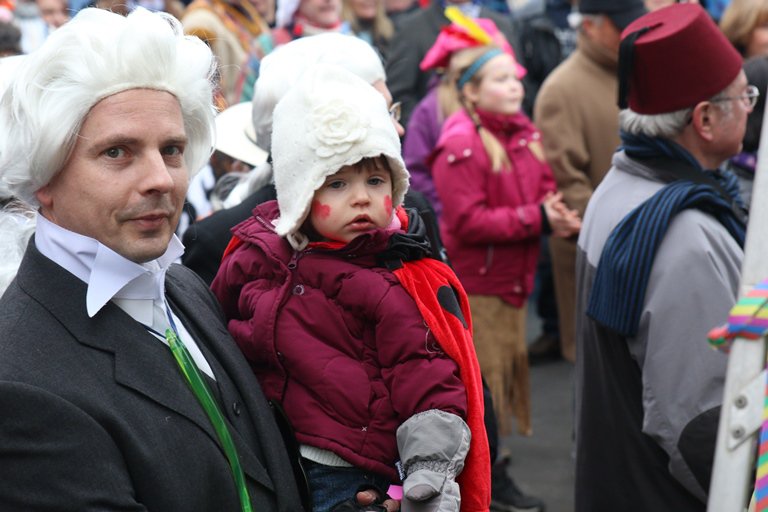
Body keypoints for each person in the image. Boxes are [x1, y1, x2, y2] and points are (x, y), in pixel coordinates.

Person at [0, 8, 396, 511]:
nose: (162, 179)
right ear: (44, 175)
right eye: (118, 152)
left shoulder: (181, 285)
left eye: (171, 149)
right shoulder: (19, 383)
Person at [211, 63, 489, 512]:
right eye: (337, 183)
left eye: (375, 181)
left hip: (350, 470)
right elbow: (215, 335)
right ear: (299, 191)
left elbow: (425, 374)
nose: (360, 197)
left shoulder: (390, 281)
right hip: (264, 453)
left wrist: (430, 469)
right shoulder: (253, 255)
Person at [575, 4, 750, 509]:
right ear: (705, 118)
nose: (751, 106)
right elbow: (704, 429)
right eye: (746, 96)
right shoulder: (685, 236)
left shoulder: (618, 183)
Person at [531, 0, 646, 362]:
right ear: (591, 27)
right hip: (598, 252)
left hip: (640, 244)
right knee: (602, 373)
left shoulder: (637, 70)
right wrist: (626, 235)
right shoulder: (561, 89)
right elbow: (566, 182)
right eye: (620, 24)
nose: (632, 31)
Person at [384, 0, 519, 126]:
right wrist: (429, 130)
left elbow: (521, 81)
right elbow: (399, 94)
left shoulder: (503, 24)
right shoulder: (412, 29)